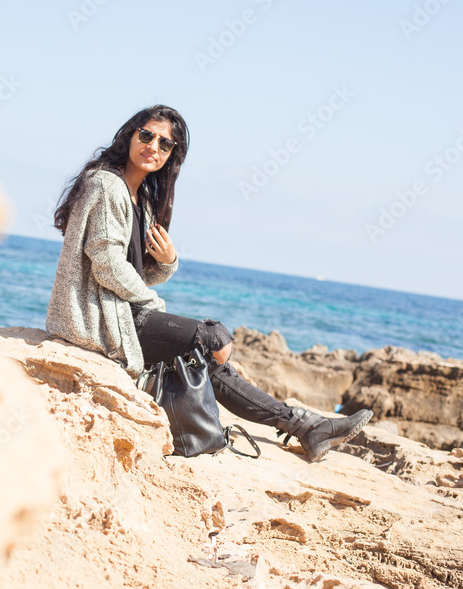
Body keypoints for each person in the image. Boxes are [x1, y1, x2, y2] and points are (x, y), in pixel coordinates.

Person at [45, 104, 371, 462]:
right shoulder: (106, 184)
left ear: (172, 156)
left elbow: (134, 275)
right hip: (100, 320)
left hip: (123, 313)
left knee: (208, 357)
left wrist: (168, 262)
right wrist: (153, 303)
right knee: (213, 338)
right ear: (129, 135)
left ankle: (306, 426)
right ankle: (305, 425)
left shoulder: (144, 200)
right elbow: (106, 266)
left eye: (165, 144)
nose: (153, 146)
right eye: (147, 135)